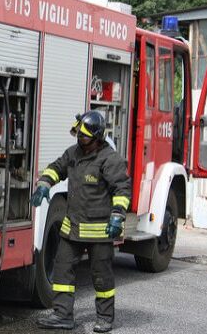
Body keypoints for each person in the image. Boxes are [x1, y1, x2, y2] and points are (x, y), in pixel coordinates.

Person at [31, 111, 131, 333]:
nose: (80, 139)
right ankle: (62, 315)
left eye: (84, 136)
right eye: (78, 135)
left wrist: (117, 215)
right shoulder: (74, 153)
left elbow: (122, 189)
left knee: (101, 276)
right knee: (62, 269)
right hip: (73, 226)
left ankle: (105, 317)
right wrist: (45, 184)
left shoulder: (109, 159)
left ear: (97, 137)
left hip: (99, 230)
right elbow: (56, 167)